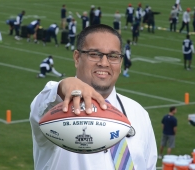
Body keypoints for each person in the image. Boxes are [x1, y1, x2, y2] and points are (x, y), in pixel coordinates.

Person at [30, 24, 157, 170]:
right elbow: (43, 105)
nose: (104, 63)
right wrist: (63, 85)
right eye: (94, 54)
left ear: (120, 62)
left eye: (113, 56)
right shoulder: (57, 107)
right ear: (77, 58)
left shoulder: (138, 112)